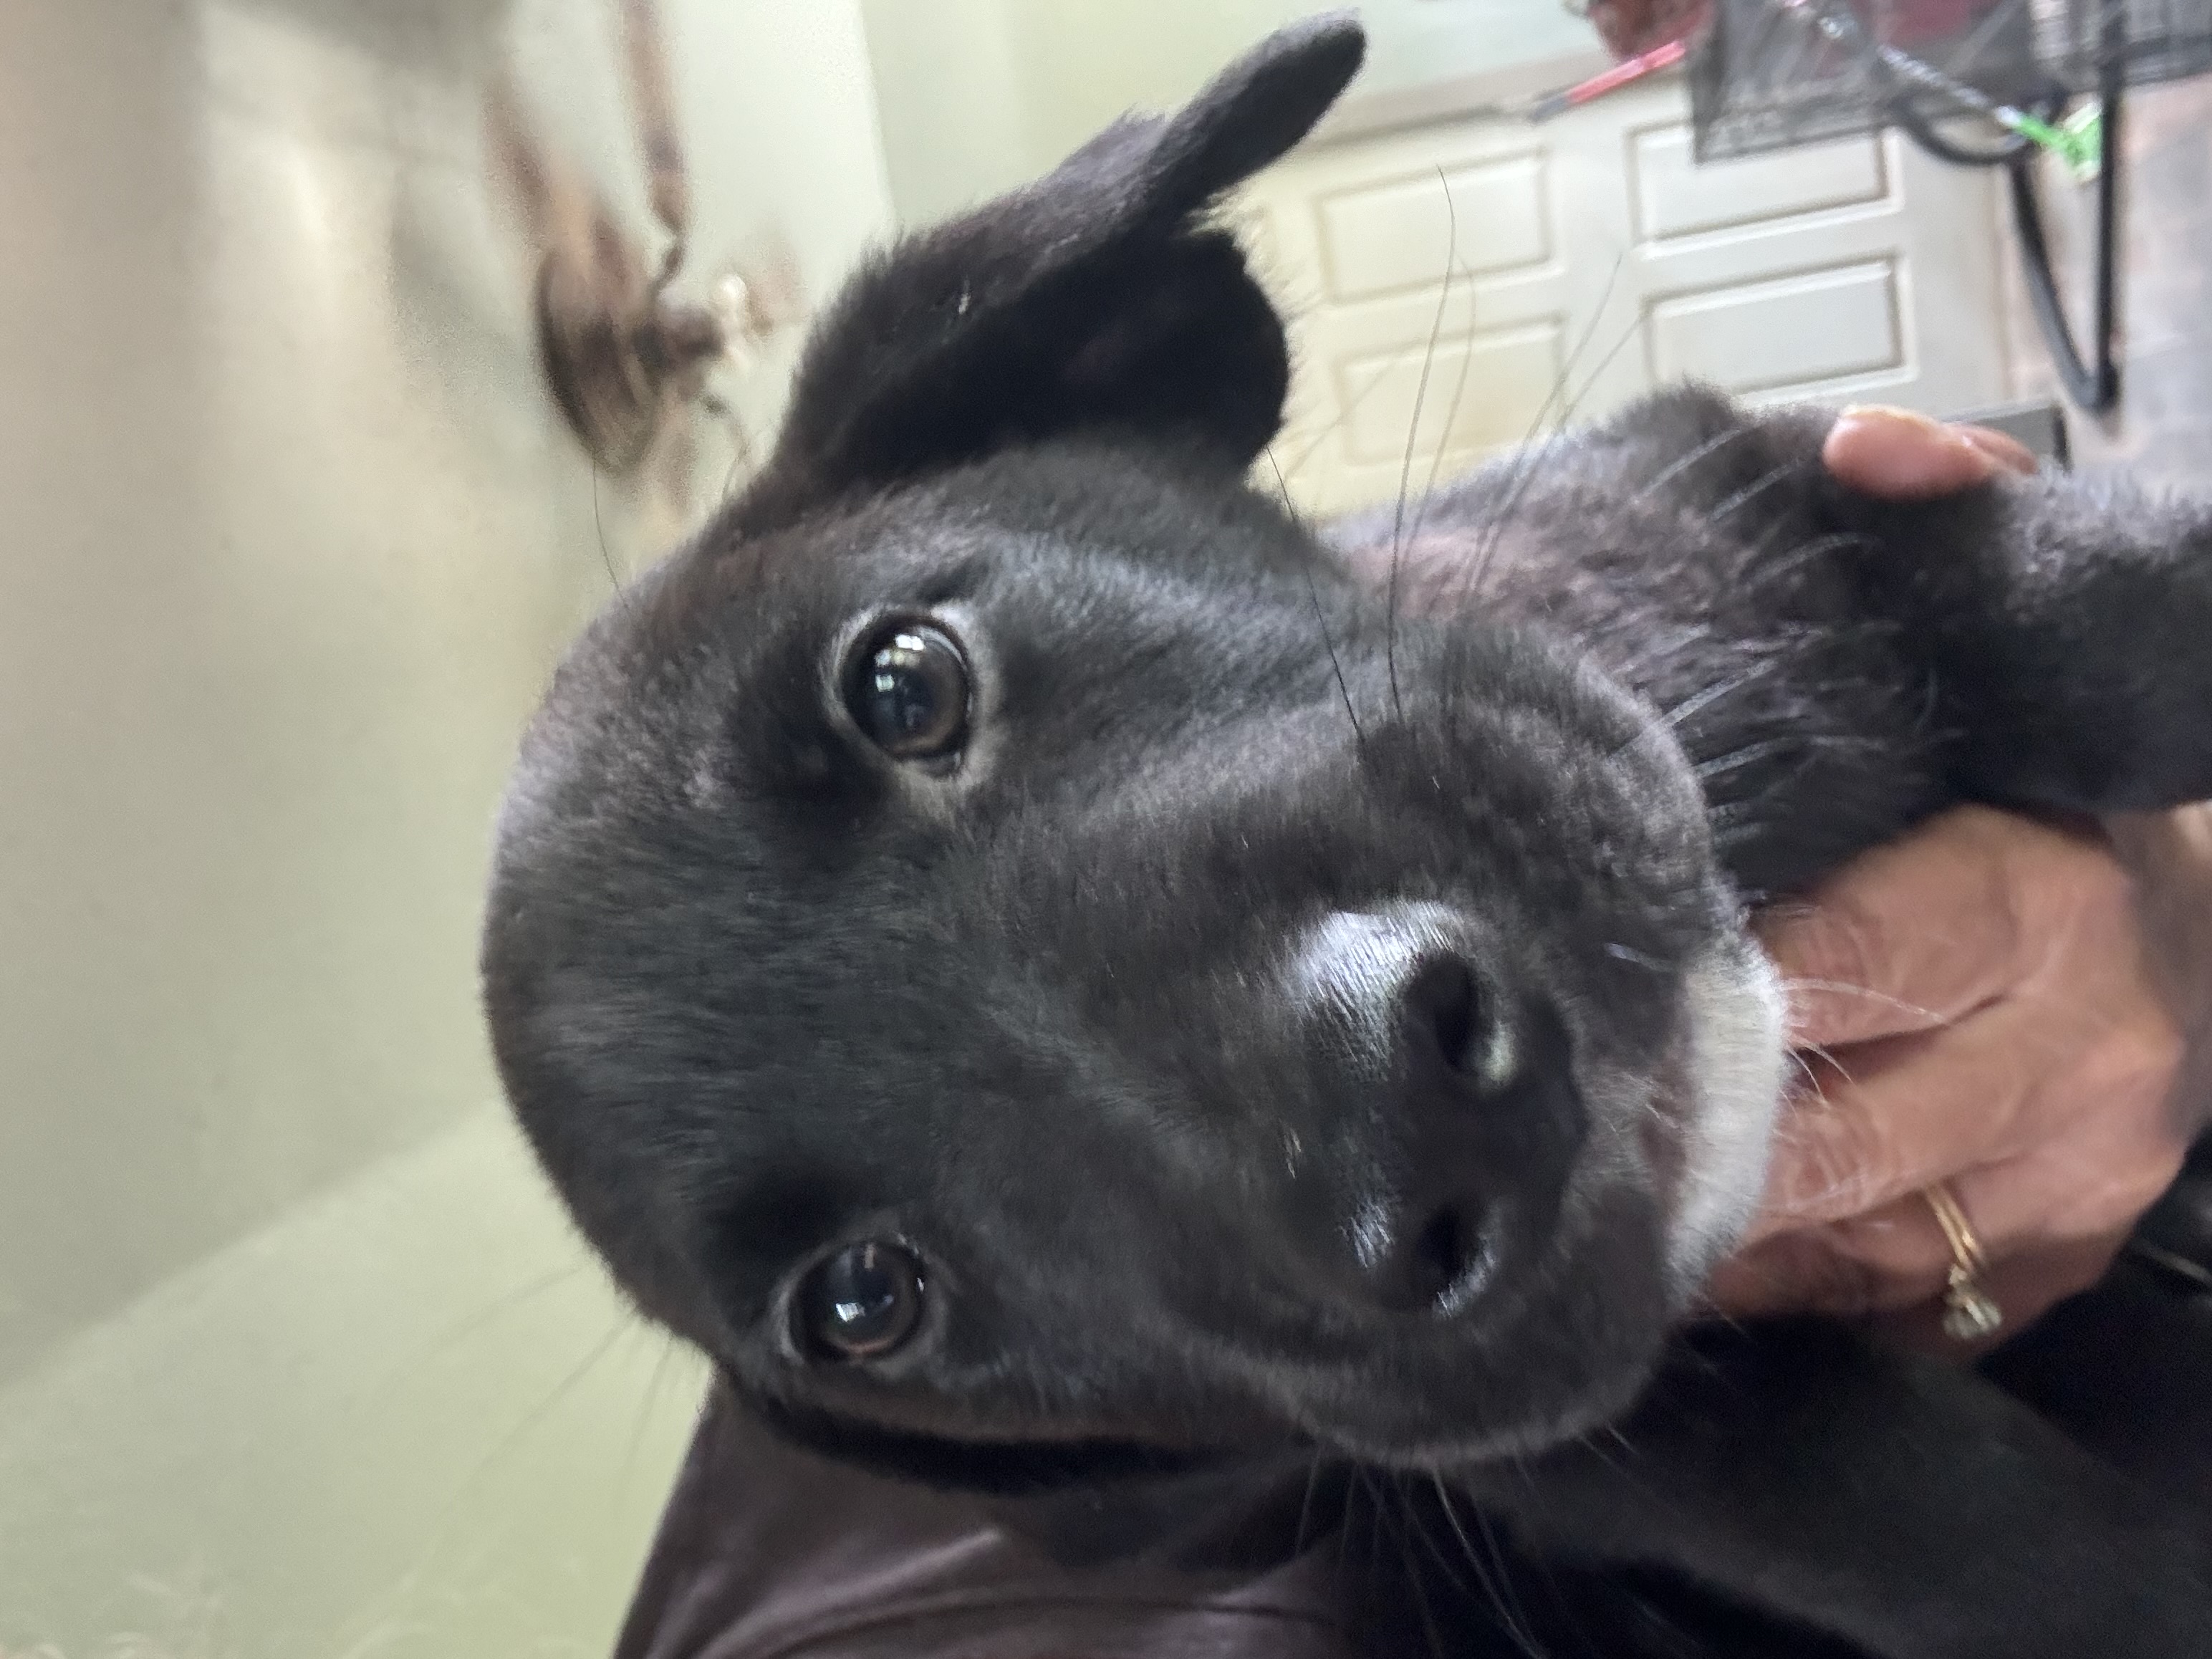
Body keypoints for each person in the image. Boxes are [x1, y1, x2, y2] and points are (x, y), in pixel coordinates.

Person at [609, 408, 2212, 1659]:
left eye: (908, 694)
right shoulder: (1251, 1468)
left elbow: (1824, 525)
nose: (1381, 1131)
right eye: (866, 1298)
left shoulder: (1607, 582)